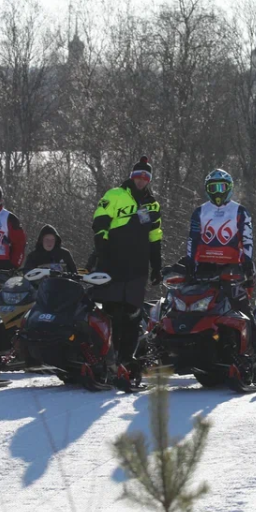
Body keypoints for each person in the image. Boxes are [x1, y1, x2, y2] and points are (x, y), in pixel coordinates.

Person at [89, 157, 163, 375]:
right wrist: (101, 246)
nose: (141, 180)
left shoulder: (153, 204)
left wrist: (156, 266)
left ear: (149, 180)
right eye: (138, 176)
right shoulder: (115, 195)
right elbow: (100, 221)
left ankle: (127, 360)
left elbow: (155, 236)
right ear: (132, 176)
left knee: (132, 315)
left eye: (146, 177)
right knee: (111, 313)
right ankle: (105, 357)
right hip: (113, 263)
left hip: (137, 267)